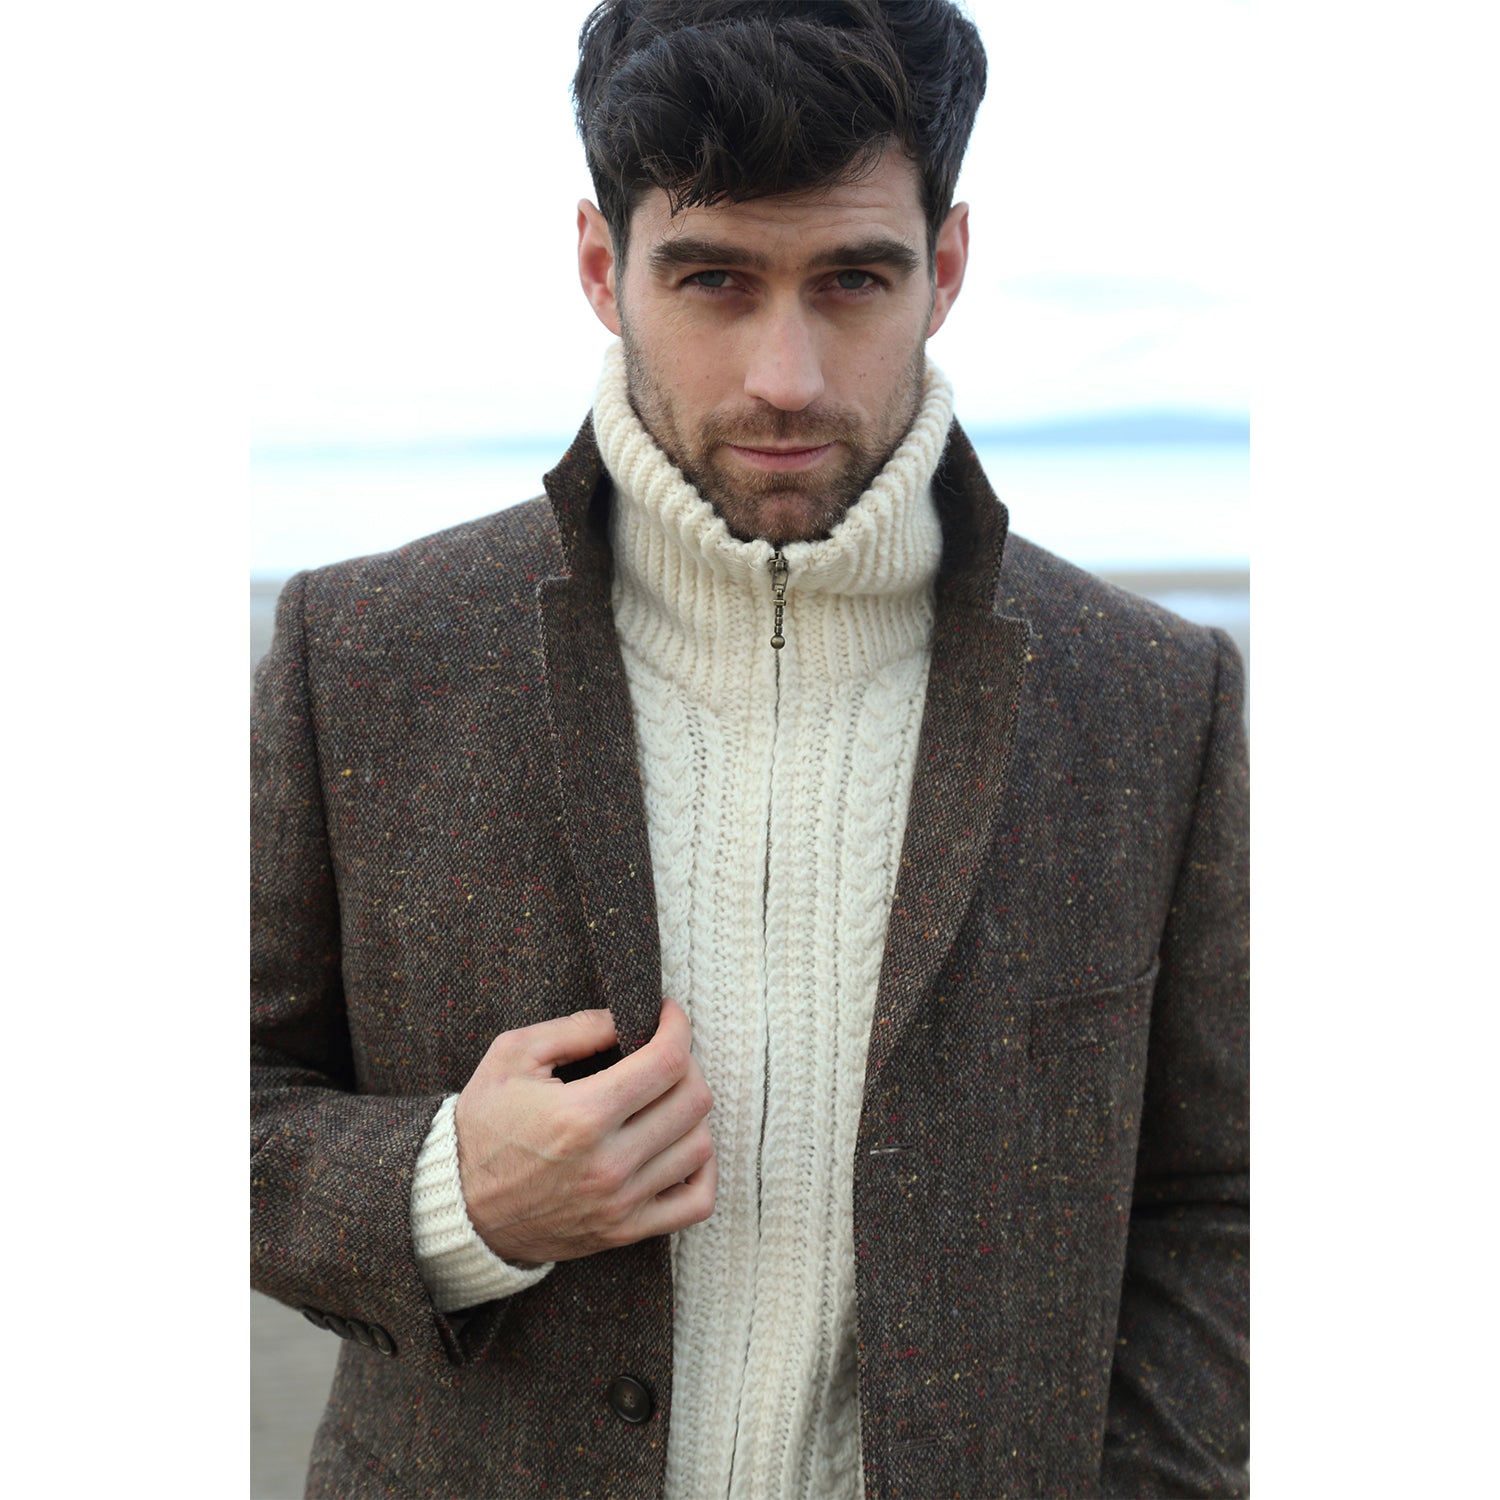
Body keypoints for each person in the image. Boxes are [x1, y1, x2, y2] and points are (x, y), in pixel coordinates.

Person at [250, 2, 1249, 1495]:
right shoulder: (366, 655)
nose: (786, 374)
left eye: (853, 279)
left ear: (945, 268)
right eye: (713, 278)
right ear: (601, 265)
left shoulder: (1154, 697)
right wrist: (449, 1196)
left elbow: (1220, 1197)